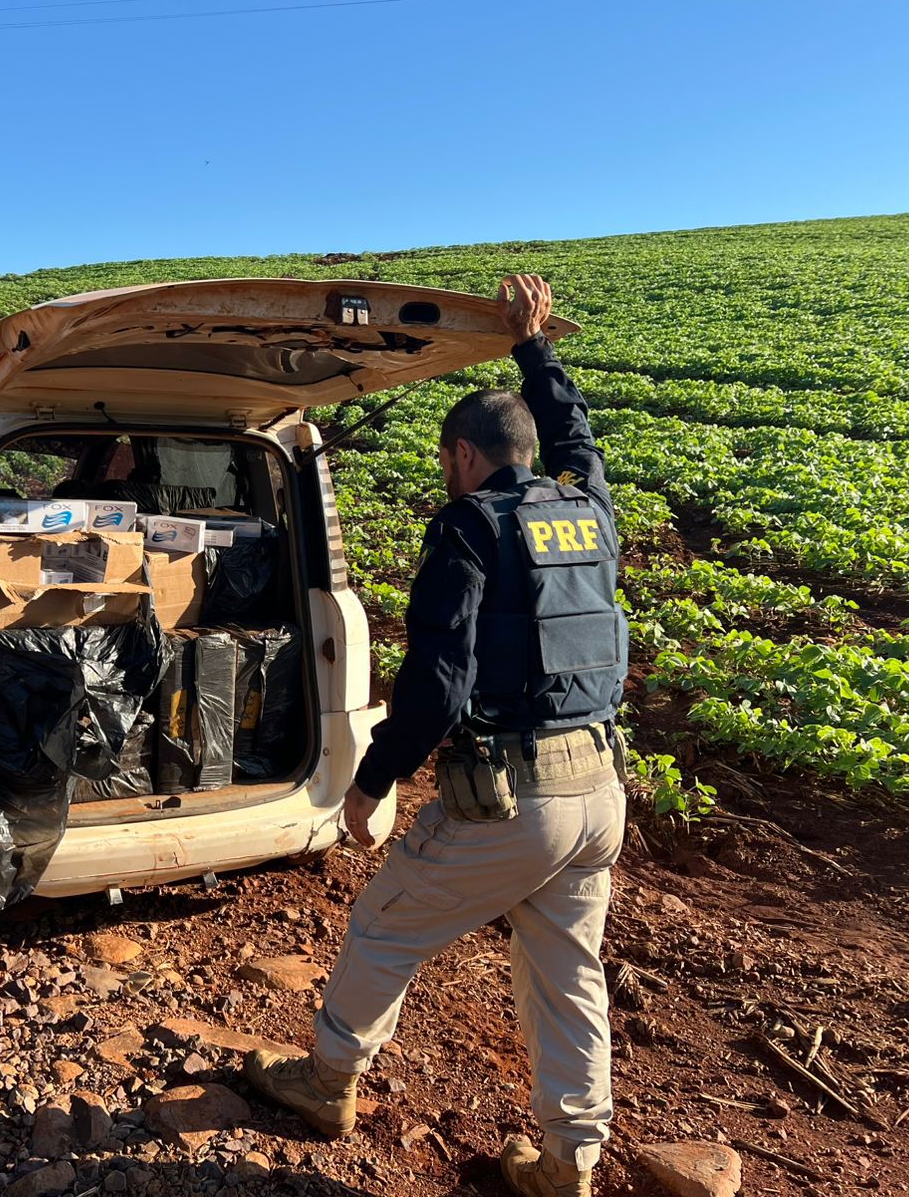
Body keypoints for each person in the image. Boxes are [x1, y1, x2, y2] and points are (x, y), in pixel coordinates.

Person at [245, 275, 629, 1197]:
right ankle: (570, 1160)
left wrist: (371, 786)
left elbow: (439, 681)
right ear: (527, 453)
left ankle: (328, 1083)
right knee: (567, 972)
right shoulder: (589, 506)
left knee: (384, 925)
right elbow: (575, 436)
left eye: (447, 458)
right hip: (600, 794)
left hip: (518, 799)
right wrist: (532, 349)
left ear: (462, 455)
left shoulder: (467, 527)